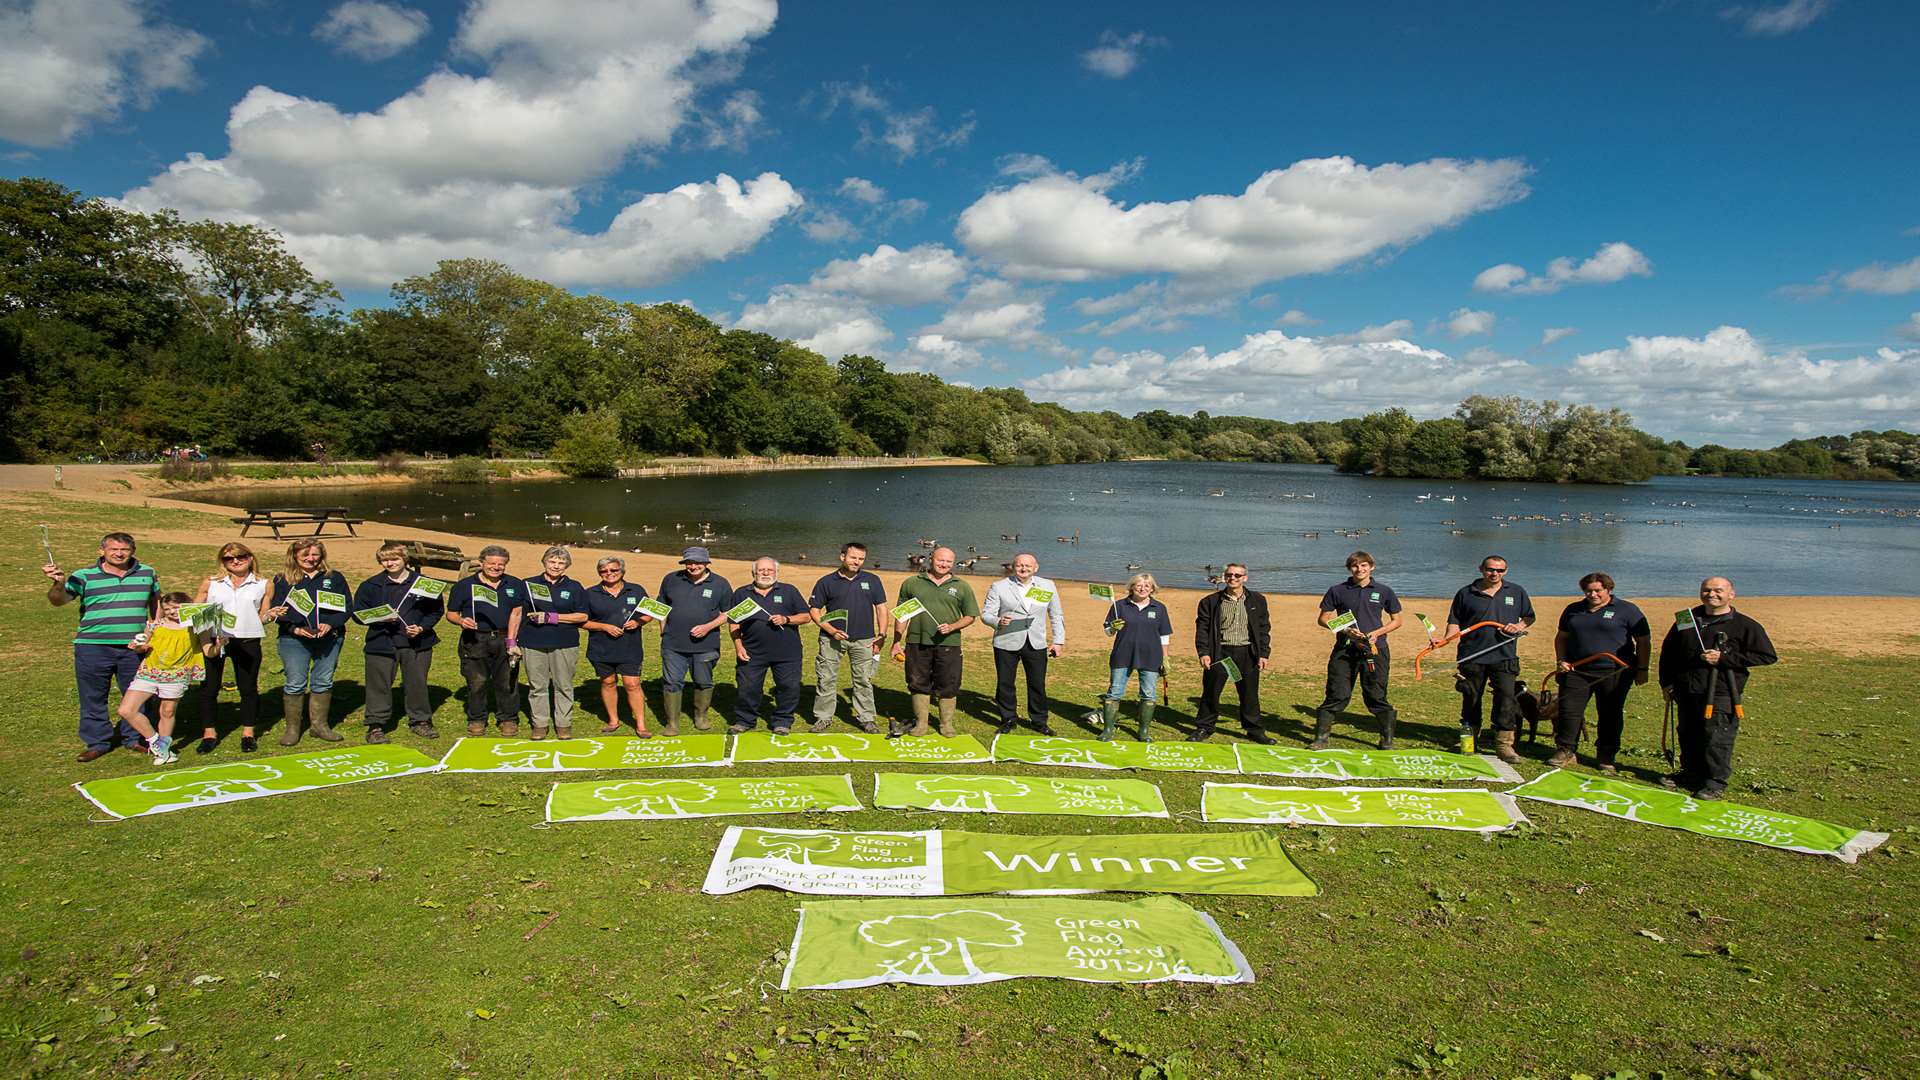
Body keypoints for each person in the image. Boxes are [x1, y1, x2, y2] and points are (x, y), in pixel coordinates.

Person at [44, 532, 161, 761]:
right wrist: (58, 583)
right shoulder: (83, 576)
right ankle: (98, 742)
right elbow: (58, 601)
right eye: (113, 549)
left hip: (134, 648)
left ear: (132, 551)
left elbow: (156, 604)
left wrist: (153, 633)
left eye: (124, 550)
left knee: (137, 695)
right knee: (93, 697)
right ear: (102, 551)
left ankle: (134, 738)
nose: (119, 554)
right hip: (92, 646)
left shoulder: (148, 572)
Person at [1657, 577, 1776, 800]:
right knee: (1687, 733)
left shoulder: (1744, 625)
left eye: (1718, 591)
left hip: (1720, 692)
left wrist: (1725, 657)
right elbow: (1669, 652)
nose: (1711, 594)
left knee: (1716, 737)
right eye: (1706, 590)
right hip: (1686, 689)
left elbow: (1767, 656)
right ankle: (1690, 774)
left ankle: (1714, 782)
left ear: (1731, 594)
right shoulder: (1686, 618)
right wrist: (1666, 683)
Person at [1548, 572, 1651, 772]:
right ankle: (1566, 750)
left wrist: (1642, 669)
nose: (1593, 594)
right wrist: (1561, 660)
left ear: (1608, 590)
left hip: (1614, 671)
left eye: (1598, 590)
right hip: (1577, 670)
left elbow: (1644, 641)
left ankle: (1606, 754)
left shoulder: (1627, 610)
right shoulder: (1573, 610)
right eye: (1588, 590)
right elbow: (1561, 637)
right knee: (1569, 711)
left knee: (1609, 713)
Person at [1445, 555, 1535, 763]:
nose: (1494, 574)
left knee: (1505, 700)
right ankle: (1468, 743)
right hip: (1472, 655)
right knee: (1471, 699)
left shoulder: (1516, 591)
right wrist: (1446, 639)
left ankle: (1504, 746)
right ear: (1481, 569)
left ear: (1506, 571)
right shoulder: (1466, 593)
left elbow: (1529, 616)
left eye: (1500, 570)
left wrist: (1518, 627)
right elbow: (1454, 621)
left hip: (1504, 656)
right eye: (1490, 569)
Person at [262, 539, 352, 745]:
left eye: (315, 555)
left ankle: (319, 726)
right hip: (293, 639)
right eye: (305, 555)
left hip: (329, 638)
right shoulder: (282, 580)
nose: (311, 559)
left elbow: (347, 606)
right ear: (294, 556)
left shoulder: (334, 577)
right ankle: (292, 729)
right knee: (295, 683)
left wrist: (330, 624)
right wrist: (296, 628)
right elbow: (276, 610)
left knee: (323, 680)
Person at [351, 543, 444, 743]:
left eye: (394, 559)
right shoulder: (371, 585)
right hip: (381, 642)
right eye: (385, 560)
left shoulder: (424, 583)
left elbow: (436, 611)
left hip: (416, 643)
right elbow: (357, 615)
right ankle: (376, 725)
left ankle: (420, 721)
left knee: (417, 683)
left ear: (405, 559)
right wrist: (379, 618)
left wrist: (421, 627)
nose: (390, 563)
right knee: (378, 685)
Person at [1312, 551, 1404, 750]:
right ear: (1349, 568)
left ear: (1372, 567)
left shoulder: (1384, 591)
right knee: (1337, 693)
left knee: (1376, 695)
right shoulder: (1337, 590)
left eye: (1364, 565)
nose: (1359, 569)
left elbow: (1397, 621)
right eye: (1355, 566)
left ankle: (1387, 740)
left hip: (1375, 650)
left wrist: (1376, 633)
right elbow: (1323, 619)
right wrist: (1345, 630)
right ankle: (1321, 738)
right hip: (1344, 651)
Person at [115, 591, 215, 765]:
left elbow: (209, 651)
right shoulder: (154, 625)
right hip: (149, 673)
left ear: (186, 607)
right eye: (167, 609)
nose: (171, 611)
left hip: (177, 674)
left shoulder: (196, 625)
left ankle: (164, 751)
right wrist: (137, 647)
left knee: (167, 712)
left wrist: (220, 644)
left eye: (176, 607)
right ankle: (156, 742)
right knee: (126, 710)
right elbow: (143, 645)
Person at [890, 546, 979, 737]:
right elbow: (902, 615)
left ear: (953, 563)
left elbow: (971, 616)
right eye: (940, 560)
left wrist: (953, 626)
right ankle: (921, 724)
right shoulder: (912, 583)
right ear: (931, 559)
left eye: (948, 561)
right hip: (917, 641)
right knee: (917, 681)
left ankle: (946, 724)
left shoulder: (961, 586)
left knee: (948, 683)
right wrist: (897, 641)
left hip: (950, 643)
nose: (944, 564)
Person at [194, 542, 268, 753]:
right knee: (209, 688)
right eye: (228, 558)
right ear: (222, 561)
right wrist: (206, 635)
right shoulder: (211, 582)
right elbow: (196, 610)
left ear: (250, 558)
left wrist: (269, 617)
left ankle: (248, 733)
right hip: (215, 639)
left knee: (248, 688)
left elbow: (263, 615)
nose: (235, 561)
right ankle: (209, 734)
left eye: (241, 557)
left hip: (247, 641)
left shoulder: (263, 583)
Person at [981, 552, 1066, 735]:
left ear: (1036, 568)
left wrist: (1058, 641)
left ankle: (1039, 721)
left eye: (1028, 566)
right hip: (1006, 642)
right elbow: (986, 614)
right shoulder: (999, 586)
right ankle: (1008, 719)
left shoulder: (1047, 585)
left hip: (1036, 642)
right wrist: (998, 621)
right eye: (1020, 565)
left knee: (1037, 684)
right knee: (1005, 683)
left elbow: (1056, 615)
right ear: (1013, 567)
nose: (1024, 568)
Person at [807, 542, 887, 734]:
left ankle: (866, 718)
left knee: (863, 680)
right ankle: (823, 718)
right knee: (826, 678)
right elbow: (814, 610)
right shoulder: (826, 582)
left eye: (860, 559)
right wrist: (830, 630)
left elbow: (881, 608)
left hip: (864, 639)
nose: (856, 562)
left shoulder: (873, 580)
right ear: (842, 557)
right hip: (831, 639)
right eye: (853, 558)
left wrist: (882, 634)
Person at [447, 545, 527, 736]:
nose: (496, 567)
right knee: (477, 682)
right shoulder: (464, 586)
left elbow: (516, 612)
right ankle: (477, 719)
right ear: (482, 563)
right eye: (491, 563)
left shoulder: (515, 584)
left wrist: (511, 640)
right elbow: (450, 614)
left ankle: (508, 719)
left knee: (507, 681)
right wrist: (461, 620)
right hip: (475, 639)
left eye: (501, 564)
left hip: (503, 637)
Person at [727, 558, 813, 734]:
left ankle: (782, 721)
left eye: (770, 570)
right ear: (754, 573)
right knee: (747, 688)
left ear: (776, 573)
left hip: (787, 652)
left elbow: (806, 616)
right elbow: (733, 623)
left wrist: (786, 619)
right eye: (761, 570)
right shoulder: (742, 593)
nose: (766, 573)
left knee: (789, 687)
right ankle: (745, 720)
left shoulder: (789, 591)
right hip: (752, 651)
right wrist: (738, 646)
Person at [1192, 563, 1275, 744]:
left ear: (1245, 578)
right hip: (1220, 652)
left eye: (1237, 575)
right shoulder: (1210, 602)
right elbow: (1202, 630)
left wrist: (1264, 654)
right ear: (1224, 577)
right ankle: (1204, 728)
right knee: (1211, 692)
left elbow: (1263, 629)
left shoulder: (1257, 600)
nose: (1233, 578)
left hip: (1248, 652)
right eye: (1229, 575)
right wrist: (1204, 652)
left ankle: (1253, 730)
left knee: (1249, 694)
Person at [656, 548, 732, 735]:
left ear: (706, 563)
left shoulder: (720, 584)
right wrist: (663, 631)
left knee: (703, 681)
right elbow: (661, 607)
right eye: (689, 562)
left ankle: (701, 717)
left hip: (706, 645)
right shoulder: (671, 579)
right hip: (673, 644)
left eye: (698, 562)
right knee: (672, 682)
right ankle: (672, 723)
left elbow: (728, 613)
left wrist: (707, 627)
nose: (693, 566)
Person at [521, 546, 589, 739]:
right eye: (552, 561)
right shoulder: (528, 583)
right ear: (544, 562)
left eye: (561, 563)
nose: (556, 566)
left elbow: (582, 616)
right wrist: (513, 641)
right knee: (537, 685)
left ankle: (563, 723)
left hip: (564, 642)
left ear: (567, 566)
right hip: (532, 641)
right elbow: (518, 612)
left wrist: (551, 617)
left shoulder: (574, 587)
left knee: (564, 685)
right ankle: (540, 724)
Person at [582, 556, 653, 736]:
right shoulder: (590, 593)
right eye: (604, 571)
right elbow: (582, 621)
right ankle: (613, 720)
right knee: (608, 682)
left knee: (632, 683)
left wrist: (638, 623)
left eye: (613, 570)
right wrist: (604, 627)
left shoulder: (636, 590)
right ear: (599, 573)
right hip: (601, 647)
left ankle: (641, 725)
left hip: (630, 647)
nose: (609, 574)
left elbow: (650, 613)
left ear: (622, 571)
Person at [1100, 573, 1171, 742]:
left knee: (1148, 694)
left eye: (1147, 586)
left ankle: (1144, 731)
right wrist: (1113, 628)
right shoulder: (1119, 606)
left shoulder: (1159, 608)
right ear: (1132, 587)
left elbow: (1164, 635)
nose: (1143, 588)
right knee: (1114, 692)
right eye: (1139, 585)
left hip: (1151, 656)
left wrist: (1165, 658)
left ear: (1152, 589)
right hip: (1122, 654)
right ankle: (1108, 730)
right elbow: (1108, 632)